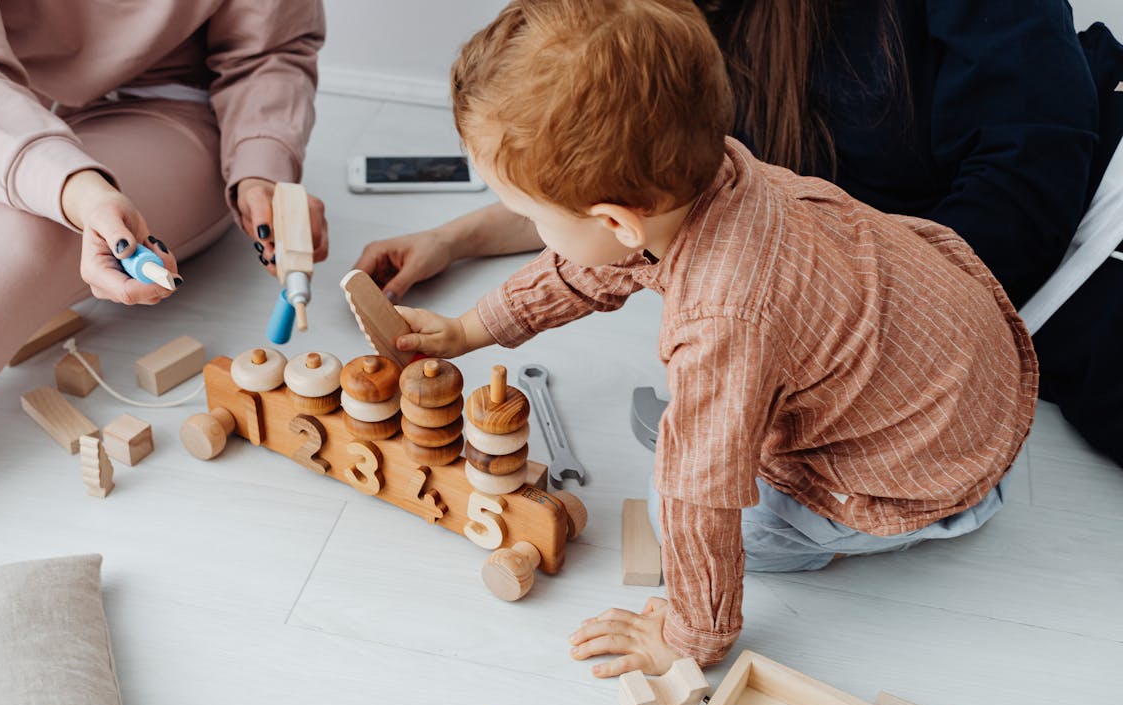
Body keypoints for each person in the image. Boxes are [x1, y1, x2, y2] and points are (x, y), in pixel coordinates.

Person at [391, 0, 1037, 673]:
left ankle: (883, 526)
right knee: (715, 422)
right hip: (970, 353)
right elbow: (594, 270)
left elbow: (702, 495)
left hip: (931, 466)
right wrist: (470, 327)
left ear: (618, 222)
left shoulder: (720, 324)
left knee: (689, 506)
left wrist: (687, 637)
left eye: (529, 214)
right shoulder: (714, 171)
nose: (528, 225)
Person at [355, 0, 1123, 467]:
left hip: (1083, 205)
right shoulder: (689, 42)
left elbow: (1030, 173)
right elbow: (612, 198)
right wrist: (457, 240)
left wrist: (855, 348)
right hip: (913, 272)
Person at [0, 0, 328, 506]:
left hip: (166, 105)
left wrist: (260, 169)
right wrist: (69, 184)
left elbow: (270, 47)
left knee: (28, 236)